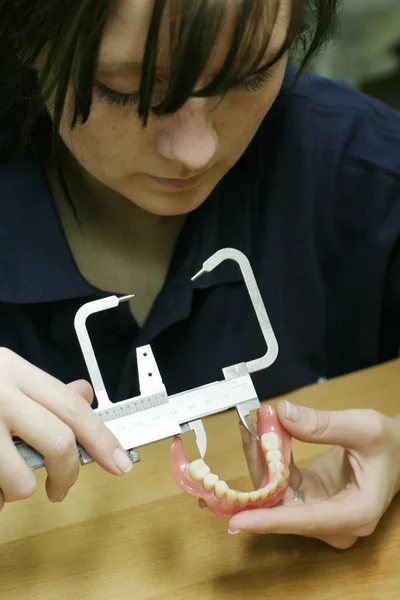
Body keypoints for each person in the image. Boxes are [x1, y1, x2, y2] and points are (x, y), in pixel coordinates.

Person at [0, 0, 399, 549]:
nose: (195, 150)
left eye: (253, 73)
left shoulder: (365, 167)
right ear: (26, 40)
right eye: (127, 88)